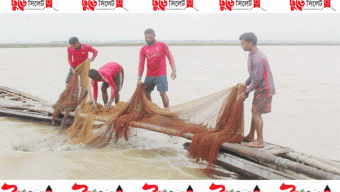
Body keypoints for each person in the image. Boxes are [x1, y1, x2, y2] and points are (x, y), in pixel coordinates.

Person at [238, 32, 276, 148]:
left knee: (256, 113)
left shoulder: (258, 58)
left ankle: (260, 142)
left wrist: (246, 92)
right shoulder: (251, 55)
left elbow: (257, 78)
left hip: (264, 90)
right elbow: (253, 76)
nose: (241, 46)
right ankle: (250, 136)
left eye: (243, 44)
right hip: (259, 88)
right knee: (254, 112)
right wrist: (245, 84)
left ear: (250, 43)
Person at [137, 28, 176, 108]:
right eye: (146, 37)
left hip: (161, 74)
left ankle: (167, 111)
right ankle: (152, 110)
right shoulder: (143, 49)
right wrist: (139, 78)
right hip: (149, 75)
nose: (148, 39)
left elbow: (170, 57)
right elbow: (141, 64)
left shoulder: (162, 45)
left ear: (154, 36)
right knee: (147, 93)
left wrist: (174, 70)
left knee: (162, 93)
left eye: (150, 37)